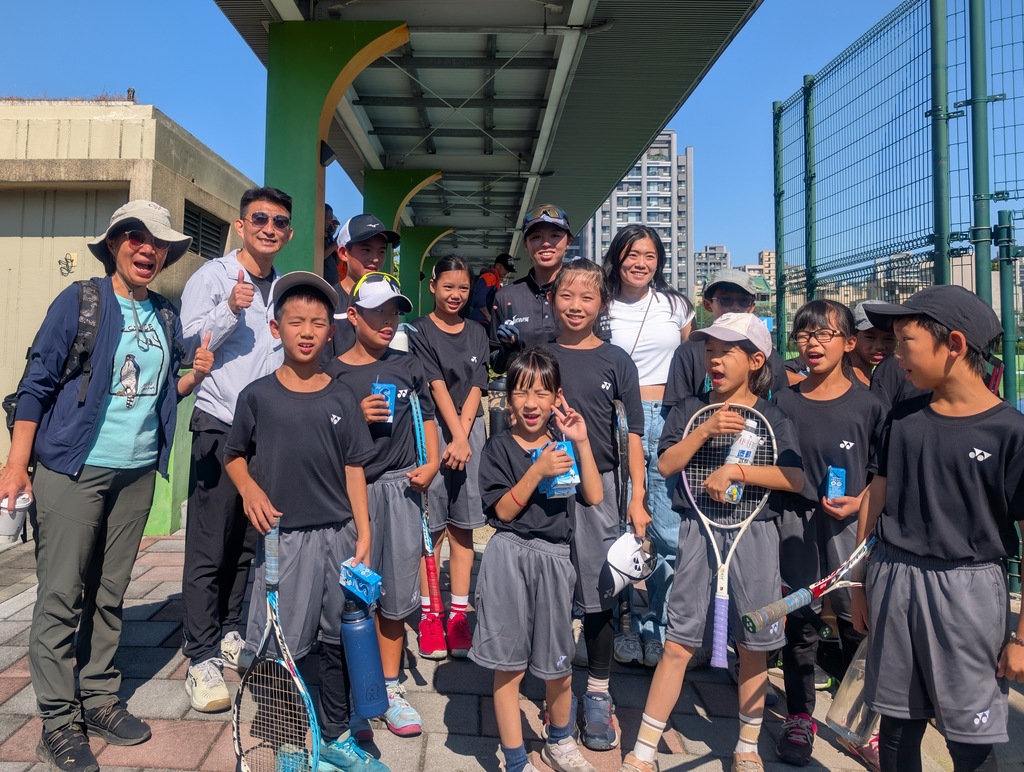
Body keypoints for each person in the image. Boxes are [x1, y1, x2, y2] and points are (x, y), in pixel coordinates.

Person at [0, 200, 213, 772]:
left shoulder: (164, 314)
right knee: (61, 595)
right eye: (136, 237)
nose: (149, 249)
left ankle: (97, 698)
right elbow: (36, 384)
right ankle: (56, 722)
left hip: (136, 471)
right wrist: (16, 464)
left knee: (109, 592)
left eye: (158, 243)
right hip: (74, 469)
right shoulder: (81, 301)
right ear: (115, 244)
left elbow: (156, 392)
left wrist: (194, 376)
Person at [618, 313, 803, 772]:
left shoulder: (773, 416)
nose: (715, 359)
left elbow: (795, 478)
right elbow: (665, 465)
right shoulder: (689, 409)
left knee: (754, 646)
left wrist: (737, 470)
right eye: (710, 350)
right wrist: (705, 430)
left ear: (756, 361)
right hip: (698, 531)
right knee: (678, 642)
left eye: (727, 351)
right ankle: (643, 752)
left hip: (754, 534)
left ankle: (747, 748)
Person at [851, 285, 1024, 772]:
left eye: (906, 341)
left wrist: (1020, 638)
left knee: (969, 739)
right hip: (893, 577)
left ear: (954, 344)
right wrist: (859, 581)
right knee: (895, 727)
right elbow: (875, 497)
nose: (894, 354)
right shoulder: (903, 419)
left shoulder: (1010, 432)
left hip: (969, 591)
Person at [223, 272, 388, 772]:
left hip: (339, 536)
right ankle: (290, 739)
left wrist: (364, 529)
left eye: (318, 323)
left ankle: (335, 736)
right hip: (283, 541)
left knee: (340, 639)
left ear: (331, 332)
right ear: (276, 329)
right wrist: (250, 489)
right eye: (296, 321)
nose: (308, 331)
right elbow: (233, 455)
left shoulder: (341, 397)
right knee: (281, 647)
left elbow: (355, 467)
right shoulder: (257, 396)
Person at [179, 186, 293, 713]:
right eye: (260, 219)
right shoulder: (214, 276)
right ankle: (200, 655)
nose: (270, 228)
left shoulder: (284, 287)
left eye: (279, 222)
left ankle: (228, 629)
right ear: (241, 225)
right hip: (220, 424)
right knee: (209, 543)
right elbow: (188, 343)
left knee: (249, 540)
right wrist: (228, 309)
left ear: (288, 233)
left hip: (266, 431)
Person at [470, 348, 604, 772]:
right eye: (522, 393)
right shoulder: (497, 448)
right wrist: (537, 470)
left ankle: (560, 741)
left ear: (557, 398)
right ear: (508, 398)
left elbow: (594, 495)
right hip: (509, 555)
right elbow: (503, 511)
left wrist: (581, 441)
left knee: (559, 664)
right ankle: (514, 760)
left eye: (542, 393)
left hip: (556, 560)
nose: (531, 403)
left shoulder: (564, 446)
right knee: (507, 666)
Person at [771, 300, 886, 767]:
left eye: (824, 334)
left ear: (849, 343)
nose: (812, 343)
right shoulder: (783, 402)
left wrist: (860, 503)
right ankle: (800, 717)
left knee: (859, 621)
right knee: (800, 622)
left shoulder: (870, 406)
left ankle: (863, 725)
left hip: (850, 530)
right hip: (793, 525)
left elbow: (882, 477)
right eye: (804, 335)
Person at [326, 272, 439, 739]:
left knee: (395, 592)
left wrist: (431, 463)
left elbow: (427, 418)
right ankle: (357, 690)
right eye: (377, 313)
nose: (388, 321)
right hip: (349, 494)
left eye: (394, 313)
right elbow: (322, 433)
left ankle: (389, 688)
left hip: (401, 489)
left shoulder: (408, 365)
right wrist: (355, 415)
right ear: (353, 316)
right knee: (353, 593)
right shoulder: (332, 371)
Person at [545, 259, 648, 752]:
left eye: (587, 297)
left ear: (602, 303)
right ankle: (555, 687)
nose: (576, 306)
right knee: (550, 589)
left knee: (599, 594)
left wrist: (637, 499)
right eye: (566, 295)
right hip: (545, 482)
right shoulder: (539, 355)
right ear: (552, 300)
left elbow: (634, 435)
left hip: (599, 489)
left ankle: (599, 694)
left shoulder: (617, 360)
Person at [602, 225, 694, 670]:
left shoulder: (676, 305)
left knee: (666, 530)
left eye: (650, 255)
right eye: (632, 254)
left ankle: (659, 625)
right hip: (614, 418)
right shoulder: (601, 305)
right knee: (618, 523)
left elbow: (693, 363)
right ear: (617, 258)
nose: (640, 263)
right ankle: (619, 623)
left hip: (666, 418)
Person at [407, 256, 490, 660]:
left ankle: (458, 616)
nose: (455, 295)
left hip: (468, 435)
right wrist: (455, 437)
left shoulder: (477, 330)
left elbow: (477, 385)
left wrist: (463, 436)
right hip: (432, 431)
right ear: (433, 285)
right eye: (448, 286)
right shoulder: (418, 329)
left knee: (463, 529)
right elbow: (435, 384)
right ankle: (430, 615)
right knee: (432, 530)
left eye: (463, 288)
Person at [664, 269, 788, 405]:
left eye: (743, 301)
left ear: (752, 306)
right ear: (708, 305)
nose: (735, 307)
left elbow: (781, 404)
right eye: (725, 300)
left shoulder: (767, 353)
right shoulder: (688, 352)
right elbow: (678, 408)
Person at [488, 205, 572, 373]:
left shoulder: (585, 292)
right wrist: (508, 350)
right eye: (536, 237)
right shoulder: (505, 296)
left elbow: (601, 347)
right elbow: (496, 365)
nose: (546, 243)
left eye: (555, 235)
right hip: (525, 389)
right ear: (525, 245)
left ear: (568, 242)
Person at [328, 214, 401, 359]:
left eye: (381, 251)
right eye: (366, 250)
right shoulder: (329, 301)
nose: (375, 258)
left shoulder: (391, 298)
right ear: (343, 253)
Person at [849, 300, 896, 387]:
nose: (880, 346)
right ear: (852, 338)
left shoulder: (887, 380)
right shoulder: (841, 381)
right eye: (870, 337)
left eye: (889, 338)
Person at [468, 252, 515, 326]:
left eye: (509, 270)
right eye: (506, 268)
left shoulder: (495, 279)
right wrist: (488, 317)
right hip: (480, 320)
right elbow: (479, 299)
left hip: (479, 320)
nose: (507, 272)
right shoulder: (490, 277)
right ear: (498, 265)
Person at [323, 204, 342, 285]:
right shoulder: (316, 237)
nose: (331, 224)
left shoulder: (329, 238)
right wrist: (335, 243)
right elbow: (319, 257)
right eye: (330, 220)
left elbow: (335, 262)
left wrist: (340, 244)